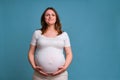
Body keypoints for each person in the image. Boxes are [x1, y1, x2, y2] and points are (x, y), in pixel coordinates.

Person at [28, 7, 73, 80]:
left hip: (60, 76)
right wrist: (34, 66)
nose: (50, 17)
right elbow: (31, 52)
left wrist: (65, 67)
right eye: (47, 15)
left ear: (56, 18)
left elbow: (69, 54)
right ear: (44, 18)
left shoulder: (64, 34)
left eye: (53, 15)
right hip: (39, 76)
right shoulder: (37, 33)